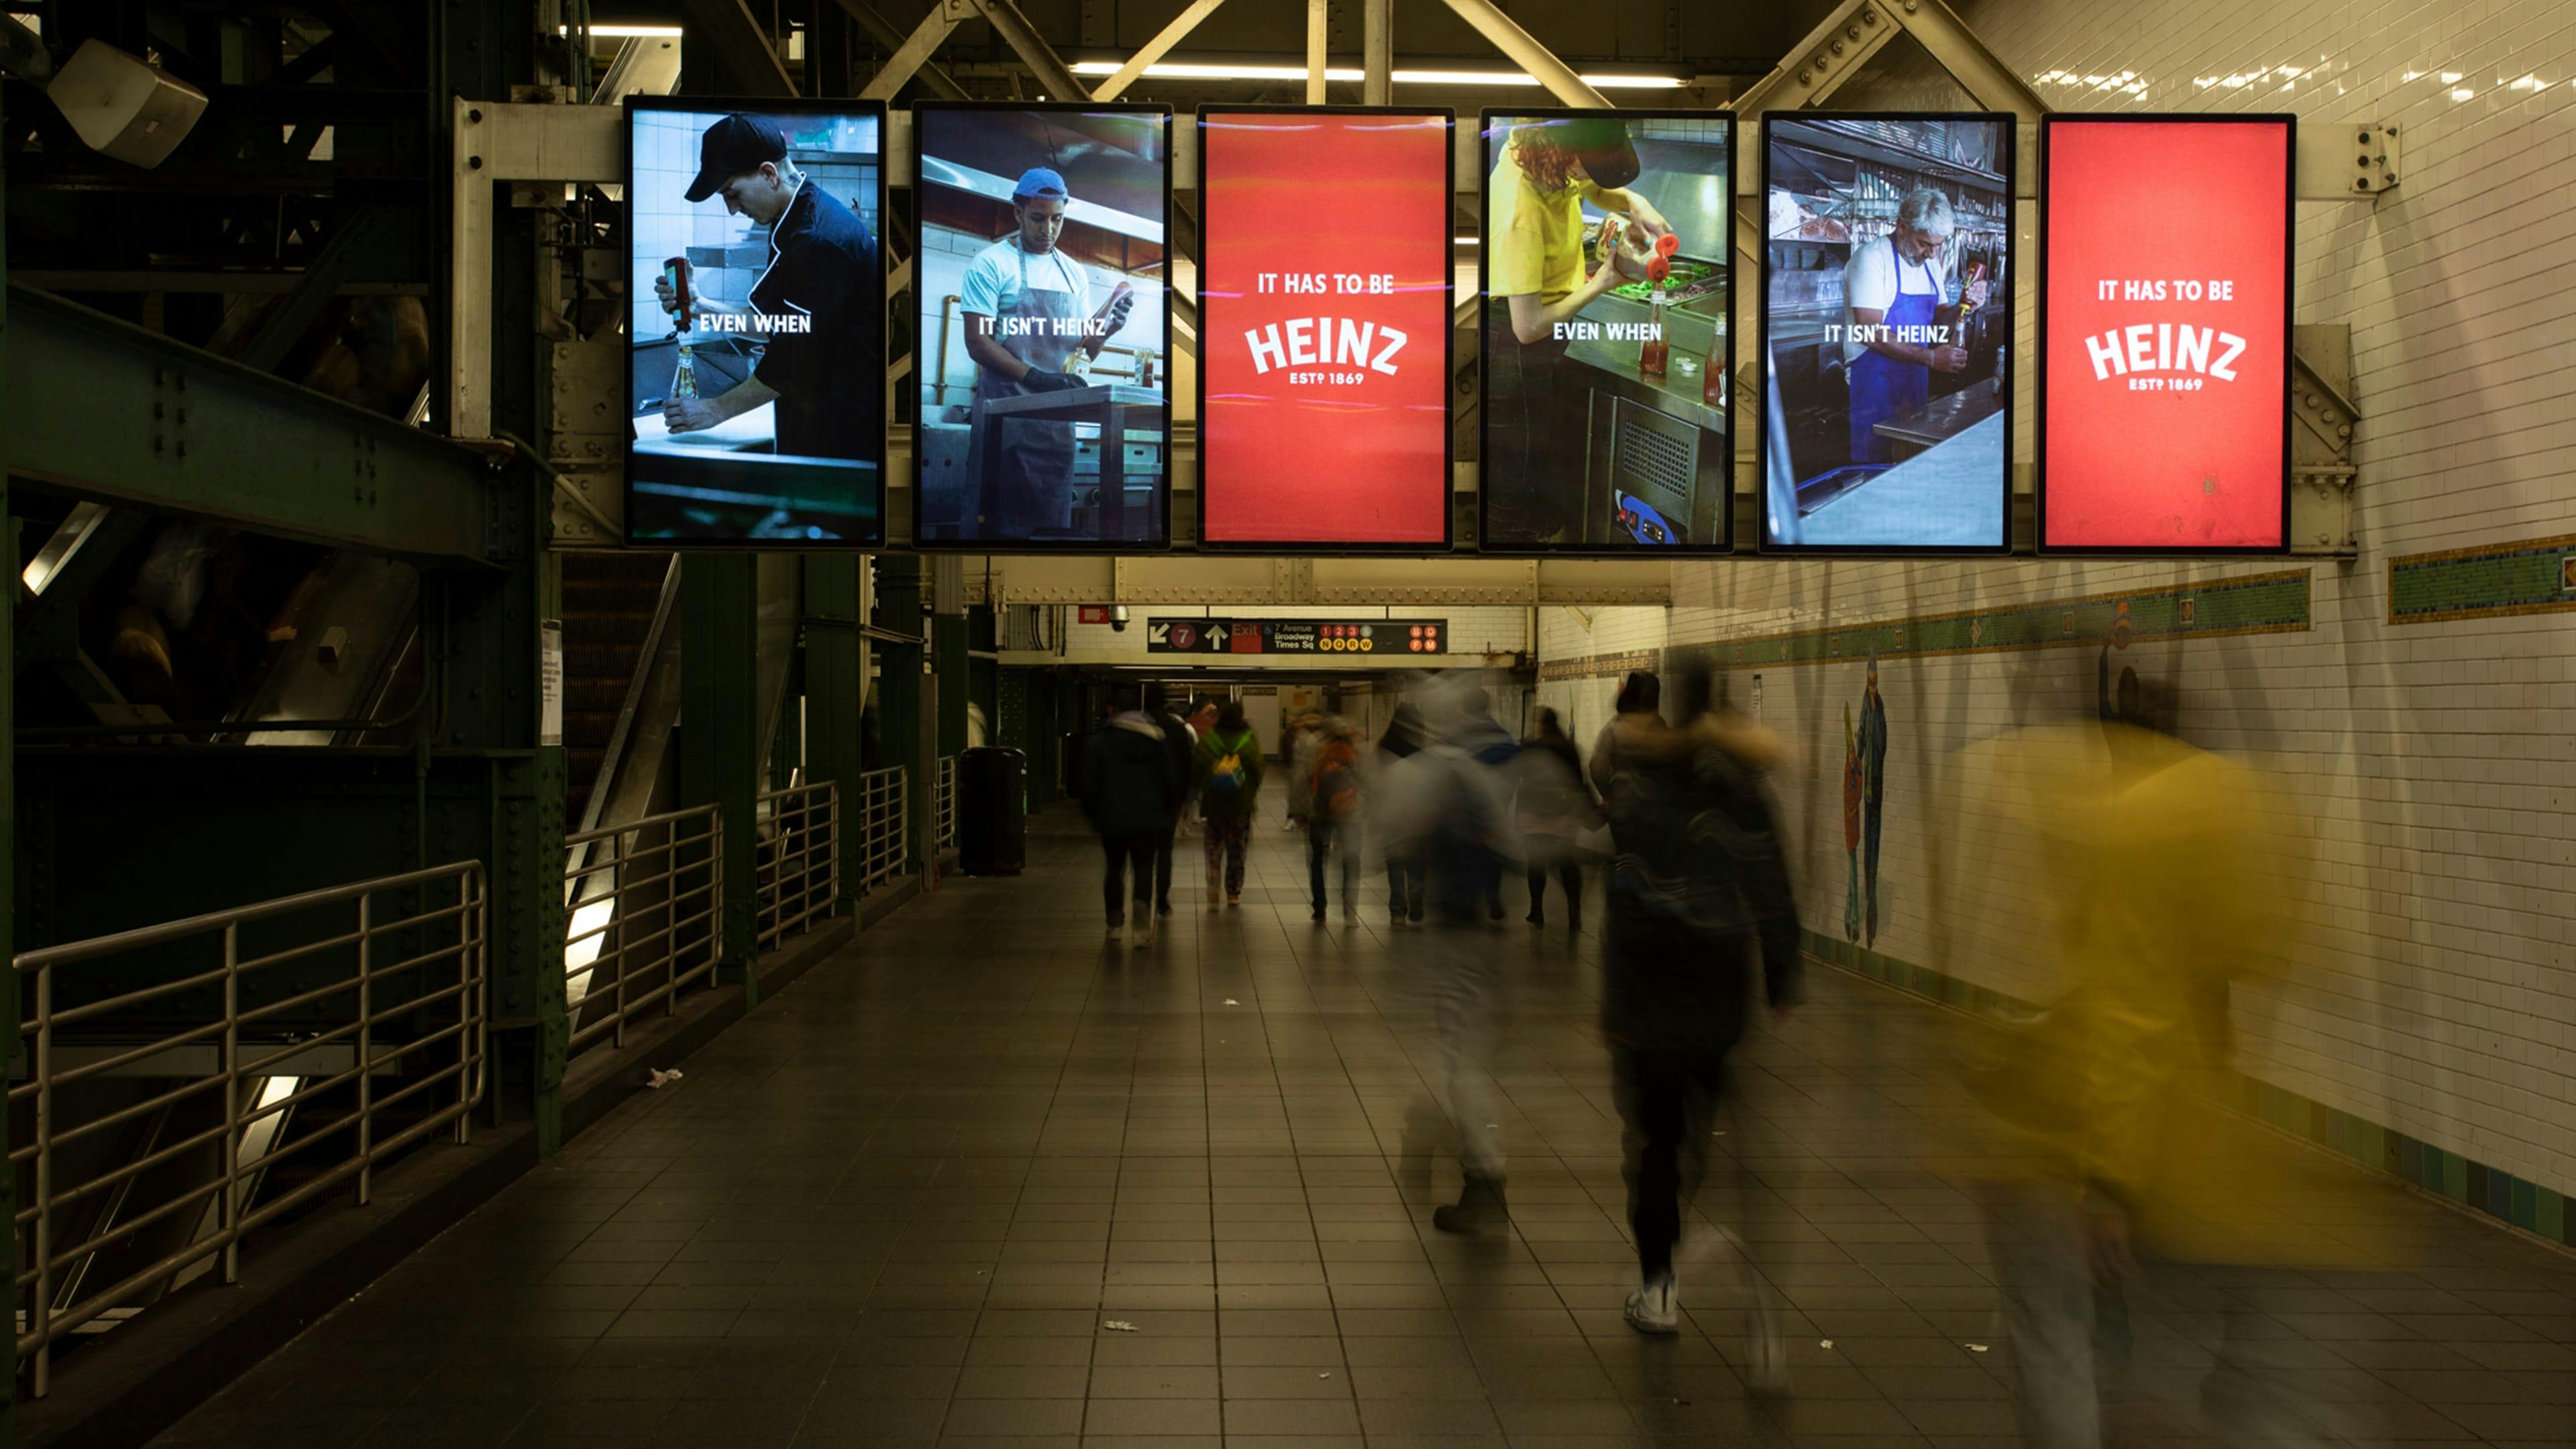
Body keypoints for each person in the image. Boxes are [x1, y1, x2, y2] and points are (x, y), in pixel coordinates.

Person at [1599, 668, 1801, 1341]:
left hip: (1648, 993)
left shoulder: (1637, 783)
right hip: (1716, 992)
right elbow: (1768, 878)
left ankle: (1658, 1284)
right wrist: (1781, 972)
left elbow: (1622, 883)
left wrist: (1615, 999)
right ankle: (1680, 1210)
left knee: (1653, 1143)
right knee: (1696, 1130)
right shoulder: (1742, 789)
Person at [1485, 117, 1675, 541]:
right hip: (1515, 346)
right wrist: (1603, 281)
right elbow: (1528, 327)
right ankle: (1511, 561)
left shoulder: (1544, 155)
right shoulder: (1521, 210)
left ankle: (1536, 540)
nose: (1587, 179)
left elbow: (1590, 188)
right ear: (1565, 158)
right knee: (1514, 480)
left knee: (1536, 462)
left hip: (1544, 328)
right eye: (1587, 169)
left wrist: (1633, 202)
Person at [1376, 679, 1517, 1232]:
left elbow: (1386, 837)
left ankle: (1485, 1179)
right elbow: (1511, 845)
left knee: (1459, 1058)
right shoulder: (1472, 771)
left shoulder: (1427, 772)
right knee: (1460, 1048)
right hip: (1475, 927)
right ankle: (1462, 1154)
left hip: (1451, 930)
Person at [657, 113, 881, 462]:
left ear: (768, 174)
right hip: (815, 422)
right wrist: (702, 309)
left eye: (732, 193)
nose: (732, 209)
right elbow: (778, 327)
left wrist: (716, 410)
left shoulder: (820, 239)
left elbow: (794, 357)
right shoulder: (795, 221)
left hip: (841, 437)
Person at [959, 166, 1138, 538]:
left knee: (1051, 534)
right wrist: (1034, 376)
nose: (1048, 230)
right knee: (998, 534)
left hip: (1057, 431)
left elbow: (1082, 352)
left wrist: (1109, 329)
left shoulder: (1074, 273)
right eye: (1039, 219)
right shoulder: (991, 264)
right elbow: (977, 342)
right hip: (1005, 424)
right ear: (1018, 212)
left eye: (1057, 219)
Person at [1841, 186, 1988, 465]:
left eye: (1938, 245)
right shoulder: (1871, 259)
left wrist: (1964, 305)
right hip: (1875, 384)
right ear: (1901, 227)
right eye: (1924, 244)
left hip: (1914, 380)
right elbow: (1869, 331)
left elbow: (1940, 318)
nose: (1932, 254)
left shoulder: (1929, 263)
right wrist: (1932, 357)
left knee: (1909, 462)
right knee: (1875, 466)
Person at [1081, 686, 1182, 947]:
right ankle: (1141, 925)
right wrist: (1169, 811)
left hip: (1112, 816)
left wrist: (1092, 814)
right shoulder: (1157, 739)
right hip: (1148, 817)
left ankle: (1114, 922)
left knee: (1114, 868)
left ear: (1113, 710)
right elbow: (1169, 780)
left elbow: (1090, 783)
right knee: (1144, 867)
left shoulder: (1100, 741)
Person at [1513, 708, 1595, 928]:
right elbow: (1579, 782)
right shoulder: (1569, 748)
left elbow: (1521, 778)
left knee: (1536, 864)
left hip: (1534, 816)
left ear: (1540, 724)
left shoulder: (1531, 746)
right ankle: (1574, 910)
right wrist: (1591, 811)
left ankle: (1536, 910)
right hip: (1564, 816)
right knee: (1567, 863)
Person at [1450, 689, 1520, 920]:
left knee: (1464, 854)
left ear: (1463, 707)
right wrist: (1503, 799)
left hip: (1465, 809)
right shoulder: (1501, 735)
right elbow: (1514, 769)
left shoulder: (1458, 736)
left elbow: (1447, 772)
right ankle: (1492, 897)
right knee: (1491, 852)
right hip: (1494, 807)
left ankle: (1468, 902)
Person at [1190, 700, 1265, 906]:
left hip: (1214, 804)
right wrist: (1250, 789)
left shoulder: (1209, 740)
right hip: (1241, 805)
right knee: (1237, 847)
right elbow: (1259, 769)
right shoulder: (1249, 740)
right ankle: (1233, 892)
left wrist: (1200, 788)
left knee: (1214, 845)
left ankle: (1213, 882)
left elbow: (1196, 769)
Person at [1375, 702, 1431, 924]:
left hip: (1391, 814)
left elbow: (1376, 783)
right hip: (1418, 813)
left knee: (1395, 864)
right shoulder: (1424, 750)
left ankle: (1398, 910)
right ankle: (1416, 898)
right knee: (1417, 862)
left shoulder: (1384, 747)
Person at [1305, 717, 1365, 922]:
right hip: (1349, 814)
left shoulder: (1317, 748)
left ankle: (1320, 908)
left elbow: (1303, 776)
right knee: (1351, 861)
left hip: (1320, 813)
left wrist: (1300, 811)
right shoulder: (1356, 752)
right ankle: (1350, 911)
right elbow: (1366, 781)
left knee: (1317, 861)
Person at [1147, 684, 1196, 918]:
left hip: (1144, 796)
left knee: (1144, 851)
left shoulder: (1141, 726)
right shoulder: (1177, 728)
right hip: (1170, 796)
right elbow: (1187, 763)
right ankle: (1163, 899)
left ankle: (1142, 896)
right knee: (1165, 850)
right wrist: (1185, 796)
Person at [1590, 670, 1664, 800]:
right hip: (1655, 806)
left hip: (1624, 805)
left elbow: (1597, 768)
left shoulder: (1615, 727)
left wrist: (1609, 796)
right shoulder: (1660, 727)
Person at [1857, 651, 1888, 945]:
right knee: (1866, 842)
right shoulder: (1865, 710)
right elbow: (1861, 739)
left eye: (1875, 683)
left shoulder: (1879, 709)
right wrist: (1857, 760)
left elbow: (1881, 743)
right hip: (1866, 786)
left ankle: (1873, 912)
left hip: (1875, 787)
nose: (1872, 688)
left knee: (1874, 840)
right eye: (1869, 683)